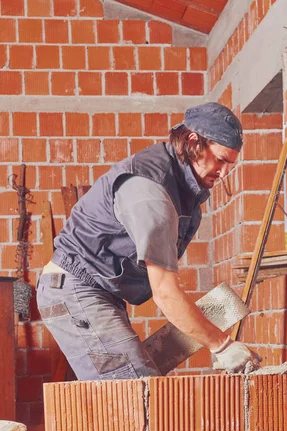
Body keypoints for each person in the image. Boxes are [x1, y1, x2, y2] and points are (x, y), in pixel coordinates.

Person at [36, 102, 261, 380]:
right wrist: (222, 345)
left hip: (99, 291)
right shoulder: (151, 192)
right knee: (139, 391)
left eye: (231, 164)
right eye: (220, 160)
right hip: (75, 289)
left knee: (138, 386)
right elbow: (165, 293)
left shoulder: (179, 185)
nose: (224, 172)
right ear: (193, 142)